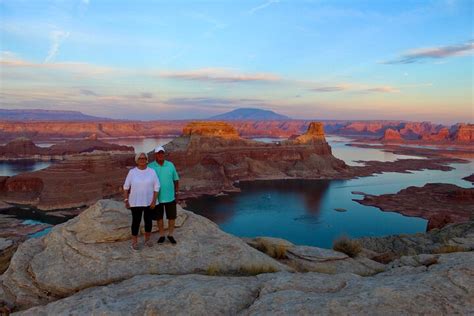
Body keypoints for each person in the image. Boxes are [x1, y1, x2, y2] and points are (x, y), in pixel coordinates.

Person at [123, 152, 160, 250]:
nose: (142, 160)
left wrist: (153, 201)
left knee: (148, 221)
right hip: (135, 202)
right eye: (140, 158)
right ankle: (134, 242)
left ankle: (147, 240)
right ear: (137, 160)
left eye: (144, 158)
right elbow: (126, 187)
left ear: (147, 160)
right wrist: (126, 200)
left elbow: (157, 187)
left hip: (149, 202)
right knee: (136, 221)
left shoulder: (152, 171)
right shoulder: (132, 172)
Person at [148, 145, 180, 244]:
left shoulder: (170, 165)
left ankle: (170, 235)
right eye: (158, 153)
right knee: (159, 218)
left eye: (162, 153)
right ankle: (162, 235)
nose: (160, 155)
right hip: (157, 198)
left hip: (170, 196)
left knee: (171, 217)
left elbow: (176, 180)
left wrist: (177, 193)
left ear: (164, 154)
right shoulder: (150, 166)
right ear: (155, 155)